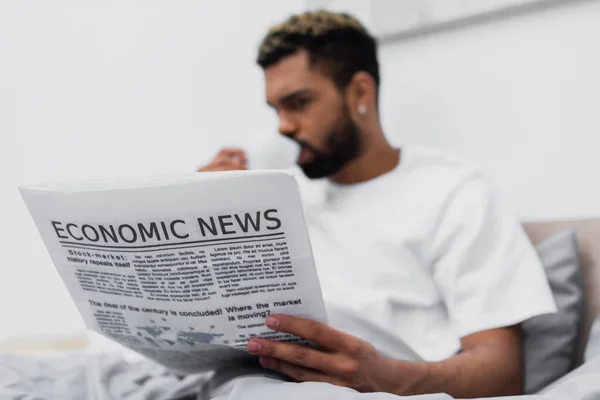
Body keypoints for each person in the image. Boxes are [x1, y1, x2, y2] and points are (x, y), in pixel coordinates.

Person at [197, 10, 556, 398]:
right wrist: (205, 212)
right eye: (276, 110)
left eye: (299, 102)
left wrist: (387, 378)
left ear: (360, 93)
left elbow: (502, 373)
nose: (283, 126)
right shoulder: (278, 194)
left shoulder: (453, 191)